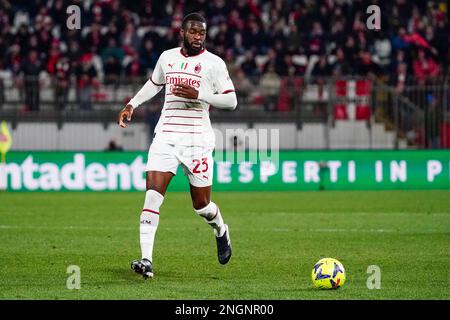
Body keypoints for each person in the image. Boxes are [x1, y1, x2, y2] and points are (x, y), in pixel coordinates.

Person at [117, 13, 237, 279]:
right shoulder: (167, 57)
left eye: (202, 33)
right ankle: (147, 260)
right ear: (181, 32)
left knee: (201, 205)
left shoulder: (214, 64)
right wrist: (132, 104)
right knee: (152, 195)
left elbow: (231, 101)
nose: (198, 37)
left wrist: (200, 94)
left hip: (198, 142)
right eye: (193, 32)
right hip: (166, 137)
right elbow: (154, 84)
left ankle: (220, 229)